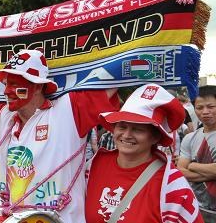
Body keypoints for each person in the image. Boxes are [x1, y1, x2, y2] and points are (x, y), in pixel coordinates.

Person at [0, 49, 118, 222]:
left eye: (14, 84)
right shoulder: (5, 117)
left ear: (38, 86)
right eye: (6, 84)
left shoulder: (69, 110)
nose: (7, 91)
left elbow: (115, 79)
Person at [86, 83, 203, 222]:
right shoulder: (94, 165)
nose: (127, 135)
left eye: (138, 129)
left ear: (155, 137)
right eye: (122, 126)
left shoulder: (172, 183)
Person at [179, 85, 216, 221]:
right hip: (197, 210)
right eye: (199, 108)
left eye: (210, 106)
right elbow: (181, 171)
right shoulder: (190, 138)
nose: (205, 112)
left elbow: (186, 168)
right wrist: (211, 173)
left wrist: (193, 166)